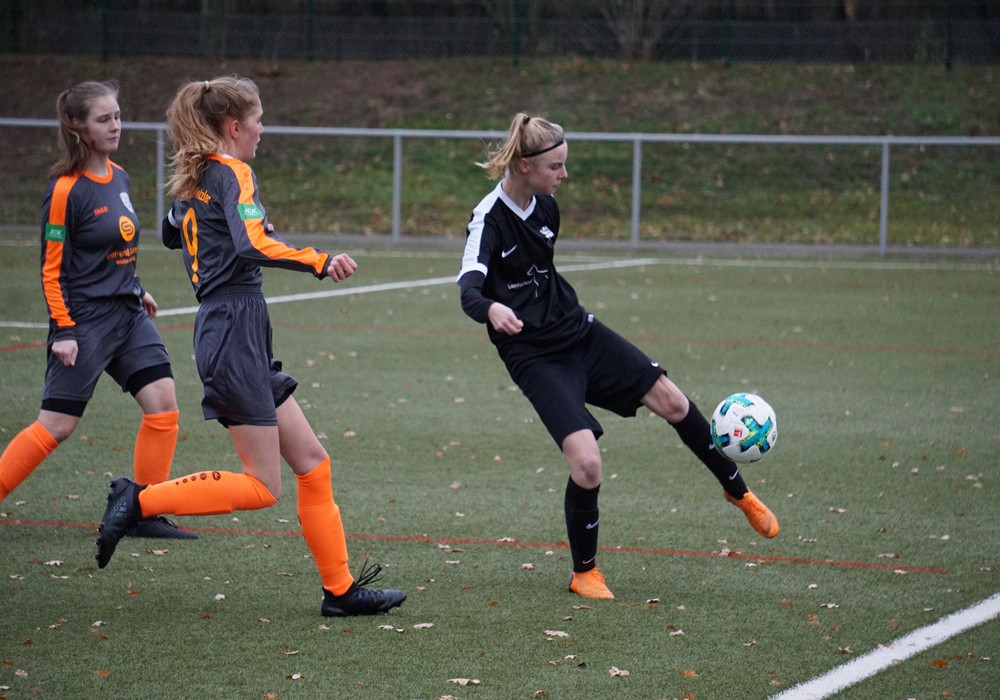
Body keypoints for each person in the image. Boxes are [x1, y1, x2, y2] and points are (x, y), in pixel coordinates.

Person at [94, 76, 405, 617]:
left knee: (314, 464)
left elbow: (172, 232)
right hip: (233, 327)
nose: (263, 129)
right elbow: (252, 243)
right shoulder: (232, 171)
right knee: (264, 486)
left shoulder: (197, 176)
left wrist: (213, 219)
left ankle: (341, 591)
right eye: (258, 119)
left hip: (237, 327)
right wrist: (318, 259)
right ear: (235, 127)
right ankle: (138, 499)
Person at [456, 113, 779, 600]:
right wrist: (493, 308)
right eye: (555, 167)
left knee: (670, 398)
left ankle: (739, 491)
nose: (564, 176)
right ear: (524, 165)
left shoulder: (546, 207)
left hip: (578, 332)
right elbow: (467, 290)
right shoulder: (488, 219)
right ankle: (584, 572)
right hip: (534, 356)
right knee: (587, 464)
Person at [0, 81, 194, 541]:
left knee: (163, 403)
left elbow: (118, 245)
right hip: (82, 321)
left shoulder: (121, 176)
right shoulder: (66, 190)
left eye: (118, 116)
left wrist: (138, 286)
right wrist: (63, 330)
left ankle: (141, 510)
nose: (116, 125)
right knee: (58, 425)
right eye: (103, 119)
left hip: (127, 315)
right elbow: (51, 271)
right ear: (78, 127)